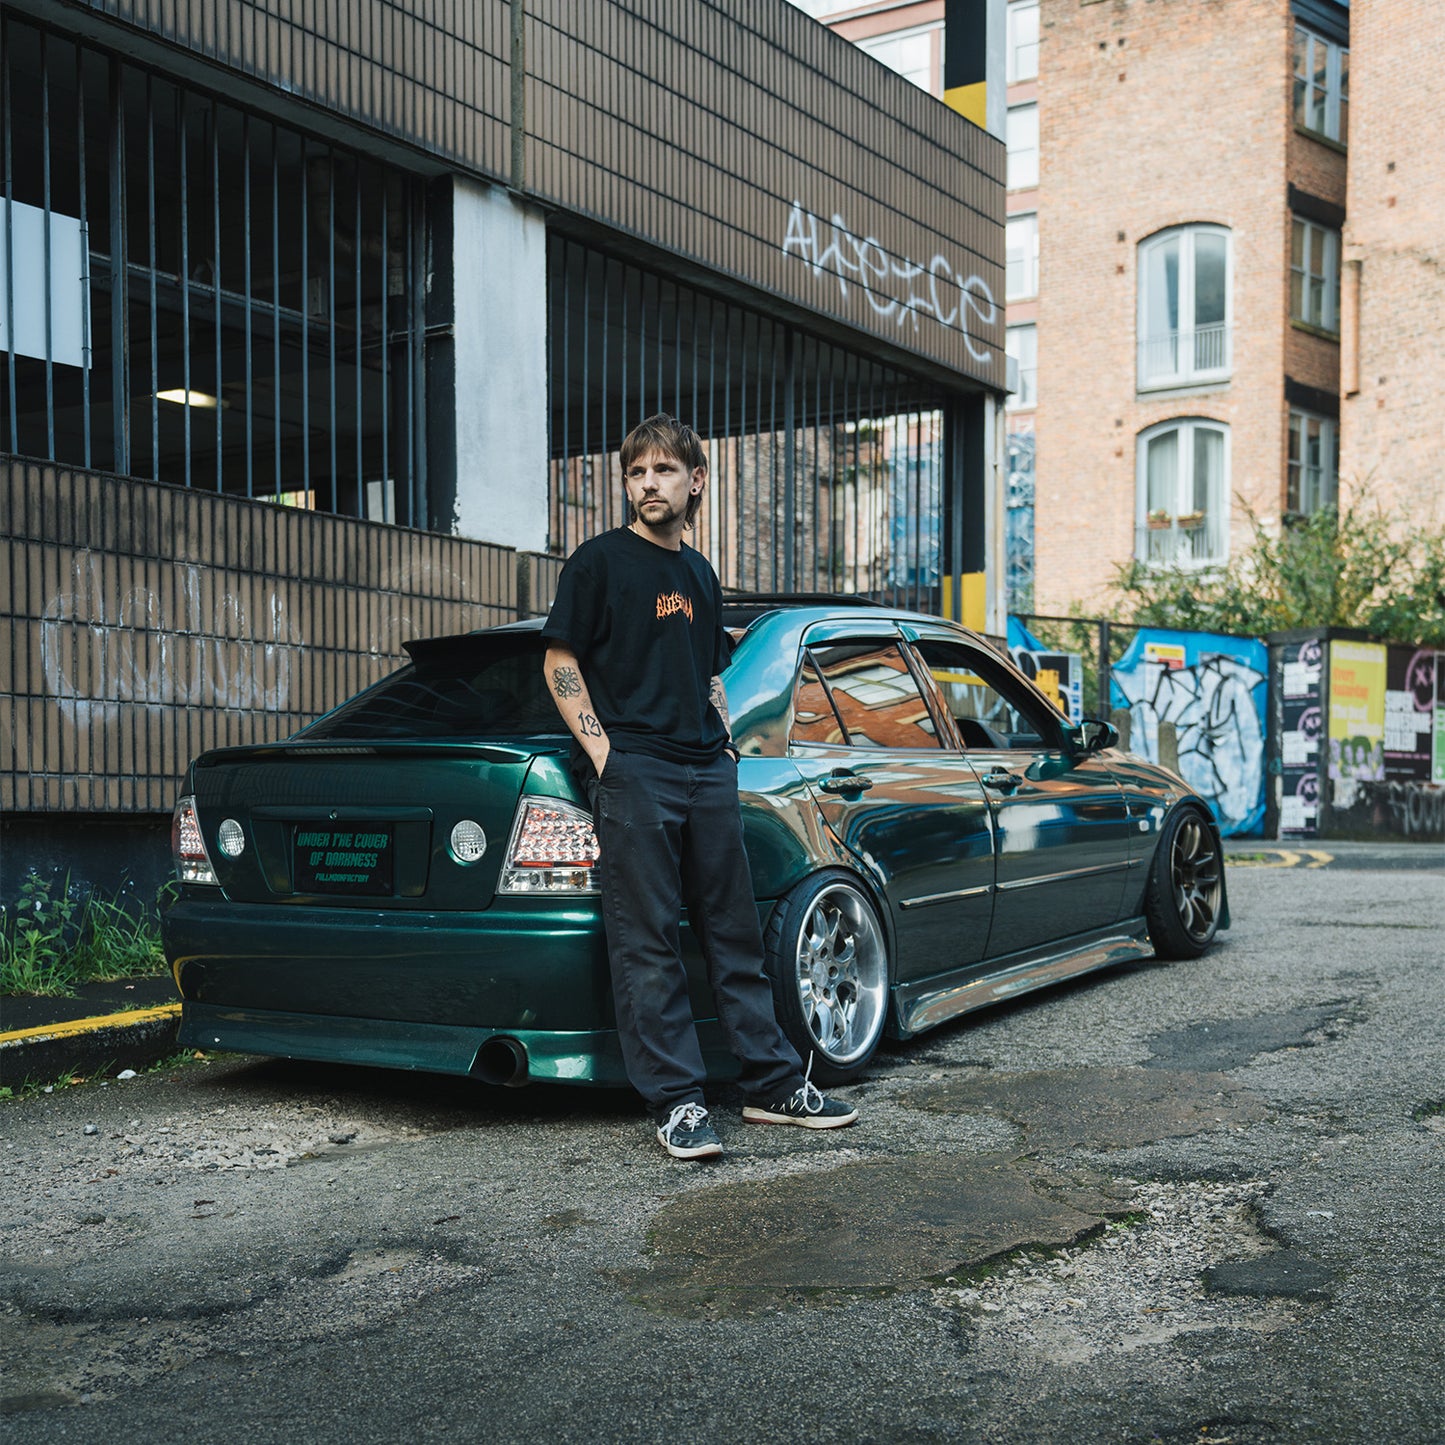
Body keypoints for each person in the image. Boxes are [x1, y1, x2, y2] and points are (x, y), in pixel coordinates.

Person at [541, 414, 858, 1160]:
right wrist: (605, 755)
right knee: (647, 943)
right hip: (637, 770)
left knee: (734, 934)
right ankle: (678, 1102)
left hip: (705, 768)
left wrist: (723, 750)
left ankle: (772, 1082)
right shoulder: (598, 563)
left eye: (663, 471)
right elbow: (560, 660)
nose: (648, 484)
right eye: (636, 472)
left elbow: (710, 672)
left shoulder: (698, 572)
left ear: (696, 481)